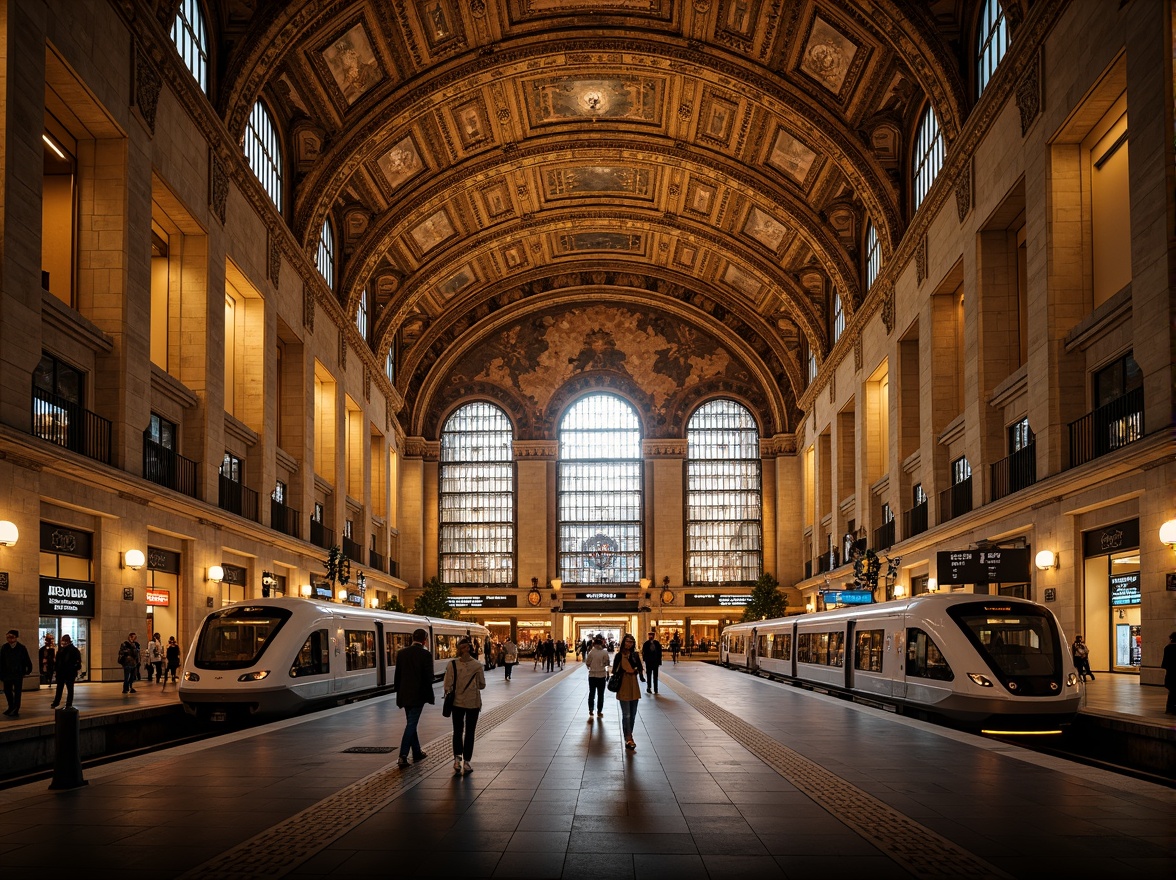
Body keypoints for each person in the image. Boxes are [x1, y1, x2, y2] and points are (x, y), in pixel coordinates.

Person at [443, 637, 486, 775]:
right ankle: (467, 762)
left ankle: (457, 760)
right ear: (470, 648)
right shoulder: (477, 665)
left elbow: (447, 685)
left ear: (458, 649)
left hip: (457, 703)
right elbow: (482, 685)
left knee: (457, 731)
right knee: (470, 732)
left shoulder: (452, 664)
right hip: (473, 703)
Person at [393, 627, 434, 768]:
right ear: (424, 640)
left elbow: (397, 676)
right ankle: (403, 756)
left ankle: (416, 752)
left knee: (412, 722)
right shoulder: (425, 655)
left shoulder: (402, 653)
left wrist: (398, 693)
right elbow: (430, 677)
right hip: (418, 695)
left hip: (404, 694)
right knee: (411, 724)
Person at [612, 633, 645, 750]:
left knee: (633, 714)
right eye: (627, 641)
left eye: (631, 642)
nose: (629, 644)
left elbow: (640, 669)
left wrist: (635, 670)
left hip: (634, 687)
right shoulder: (619, 656)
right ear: (623, 642)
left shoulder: (635, 655)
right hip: (623, 686)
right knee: (626, 714)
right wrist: (623, 670)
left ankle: (628, 733)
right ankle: (629, 737)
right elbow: (614, 671)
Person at [1, 630, 33, 717]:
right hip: (7, 673)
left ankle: (16, 708)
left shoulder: (21, 648)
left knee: (17, 692)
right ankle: (10, 706)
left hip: (17, 673)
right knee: (7, 691)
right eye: (8, 637)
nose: (9, 639)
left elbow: (27, 660)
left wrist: (28, 670)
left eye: (11, 637)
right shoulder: (5, 647)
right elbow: (1, 661)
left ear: (16, 638)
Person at [50, 634, 81, 709]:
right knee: (63, 688)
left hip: (68, 672)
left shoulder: (71, 650)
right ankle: (62, 702)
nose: (63, 643)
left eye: (64, 641)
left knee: (66, 688)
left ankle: (65, 703)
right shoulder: (63, 650)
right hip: (64, 672)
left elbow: (77, 662)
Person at [585, 635, 609, 718]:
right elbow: (607, 662)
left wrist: (591, 666)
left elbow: (587, 662)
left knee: (592, 693)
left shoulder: (591, 652)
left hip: (592, 675)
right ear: (601, 644)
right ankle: (599, 711)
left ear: (594, 644)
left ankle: (591, 709)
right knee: (600, 694)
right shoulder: (605, 652)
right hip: (601, 675)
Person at [641, 630, 663, 695]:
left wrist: (659, 662)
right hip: (649, 662)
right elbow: (643, 652)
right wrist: (645, 660)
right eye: (650, 635)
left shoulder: (657, 643)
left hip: (655, 662)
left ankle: (656, 689)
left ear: (654, 636)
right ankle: (649, 687)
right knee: (649, 675)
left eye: (652, 635)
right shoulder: (646, 643)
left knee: (655, 676)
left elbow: (659, 653)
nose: (651, 637)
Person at [1162, 632, 1176, 716]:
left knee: (1172, 692)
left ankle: (1170, 708)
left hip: (1170, 675)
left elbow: (1164, 664)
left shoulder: (1167, 648)